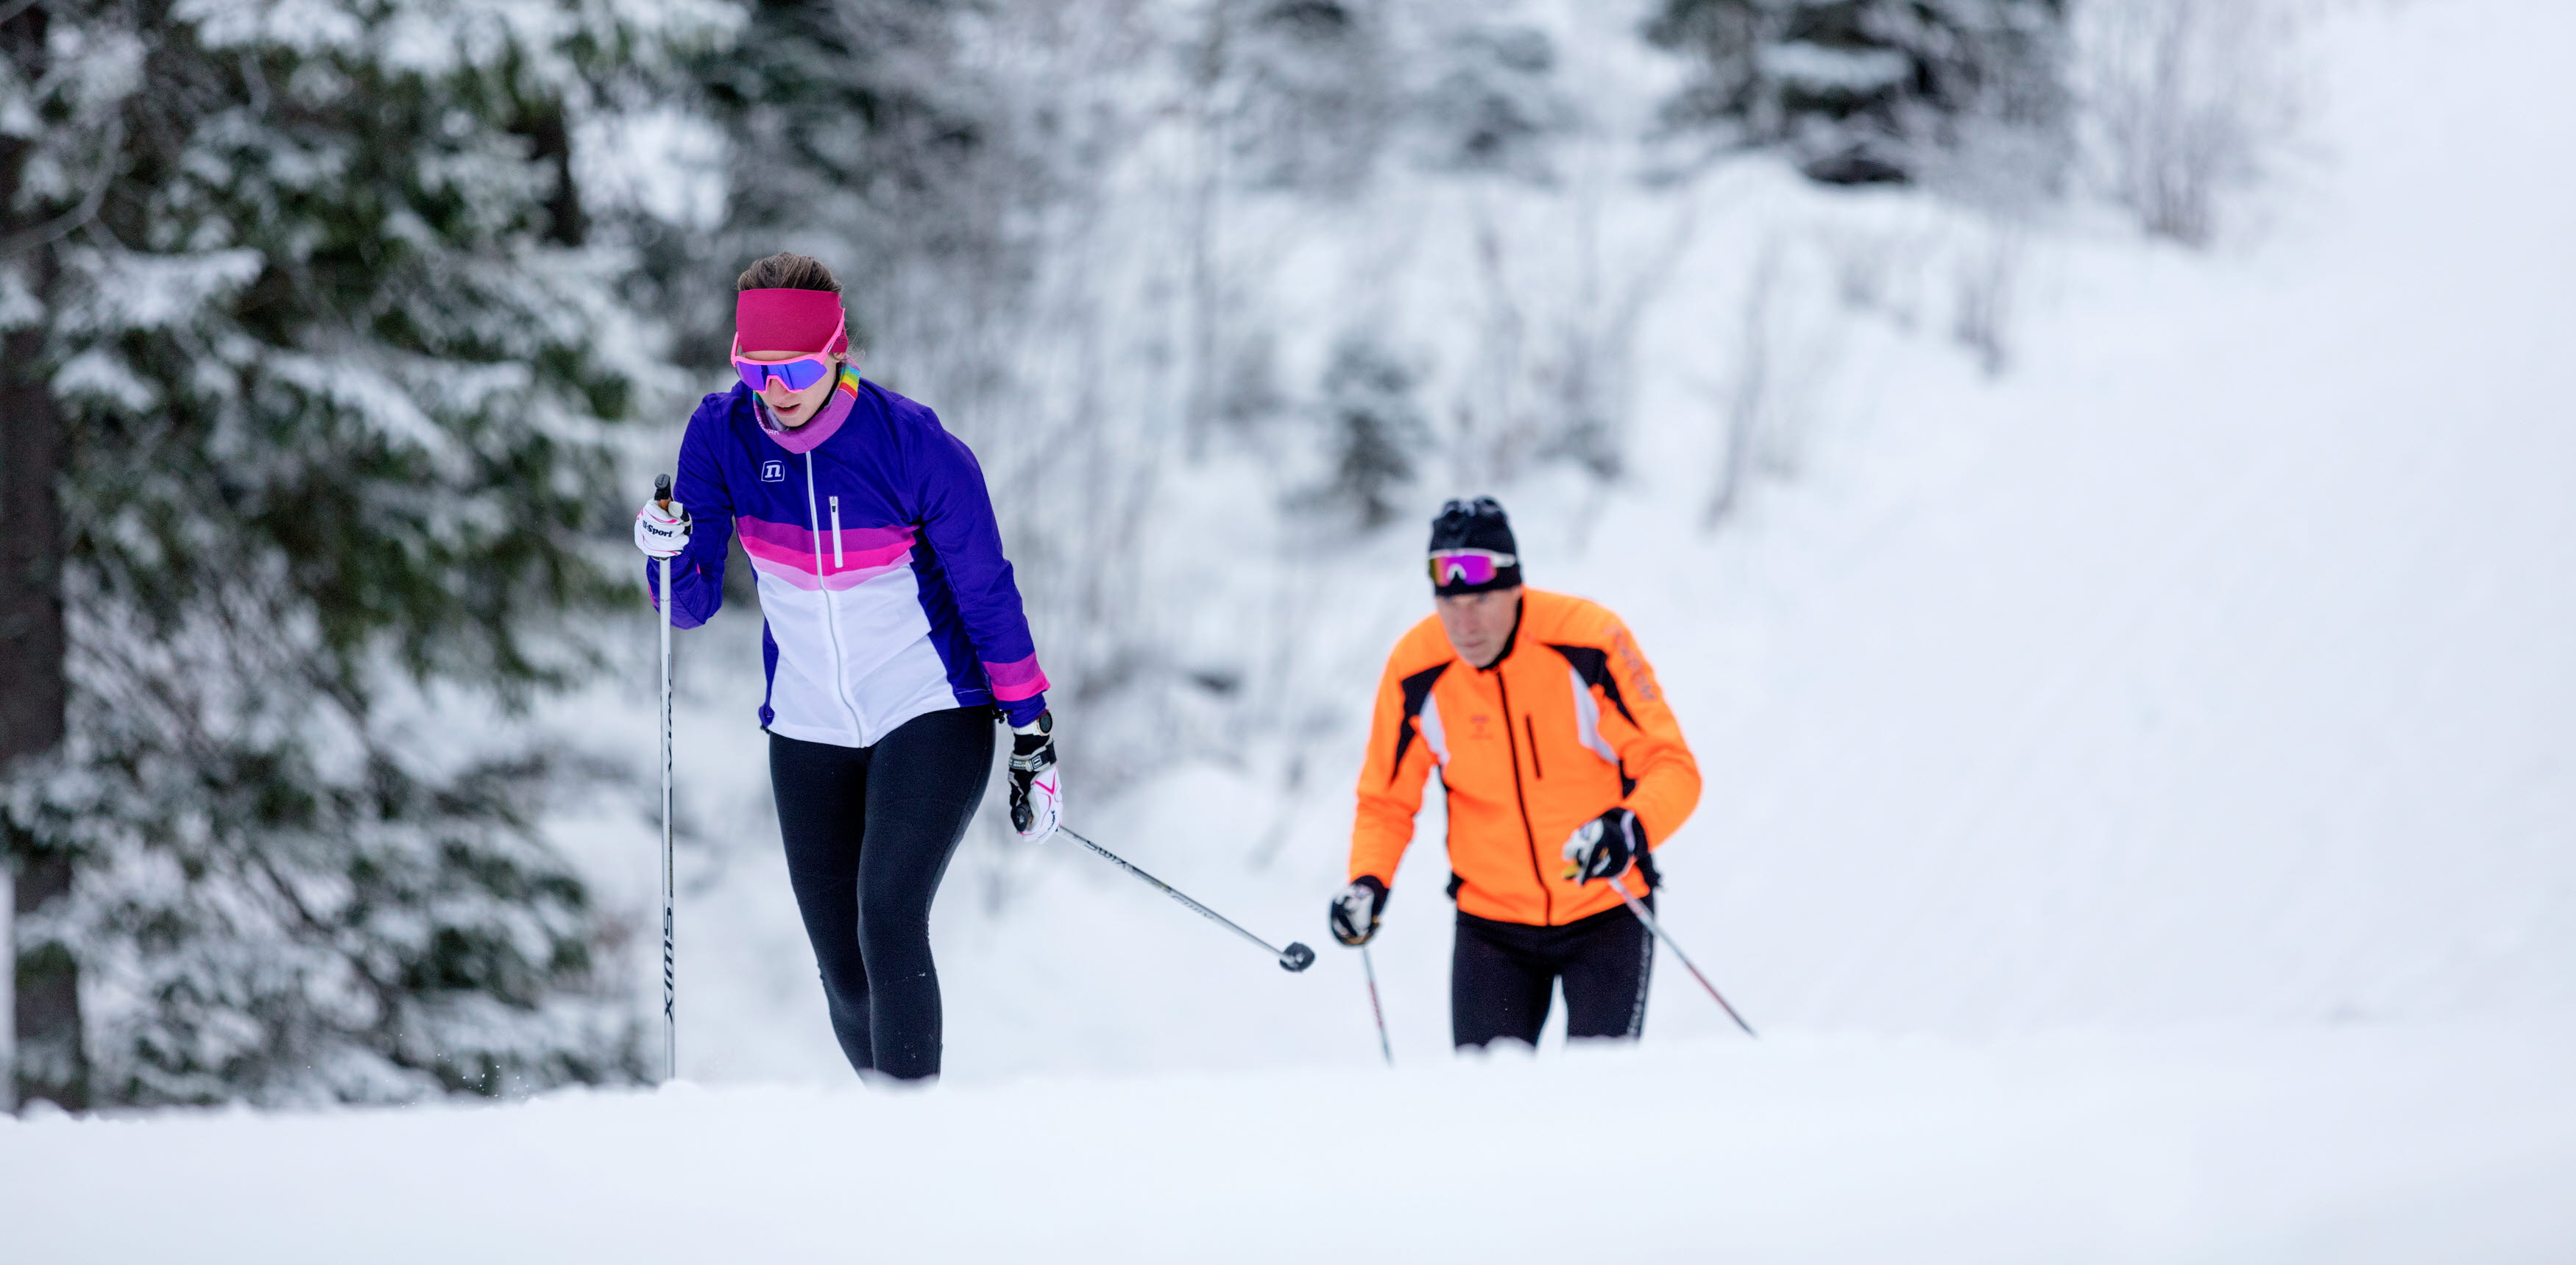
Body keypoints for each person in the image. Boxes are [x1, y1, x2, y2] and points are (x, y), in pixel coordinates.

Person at [631, 253, 1061, 1083]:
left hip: (929, 706)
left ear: (837, 351)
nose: (775, 389)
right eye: (754, 369)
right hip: (807, 724)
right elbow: (687, 607)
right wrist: (662, 554)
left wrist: (1031, 734)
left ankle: (914, 1129)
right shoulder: (718, 436)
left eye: (793, 368)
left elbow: (986, 595)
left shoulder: (915, 447)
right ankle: (881, 1137)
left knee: (888, 915)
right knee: (840, 961)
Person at [1326, 497, 1700, 1050]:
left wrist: (1628, 829)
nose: (1464, 622)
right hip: (1491, 928)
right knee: (1487, 1114)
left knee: (1597, 1105)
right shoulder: (1416, 668)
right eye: (1448, 603)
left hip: (1605, 909)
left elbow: (1672, 768)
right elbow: (1386, 800)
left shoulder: (1589, 642)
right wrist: (1368, 880)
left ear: (1515, 587)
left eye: (1479, 599)